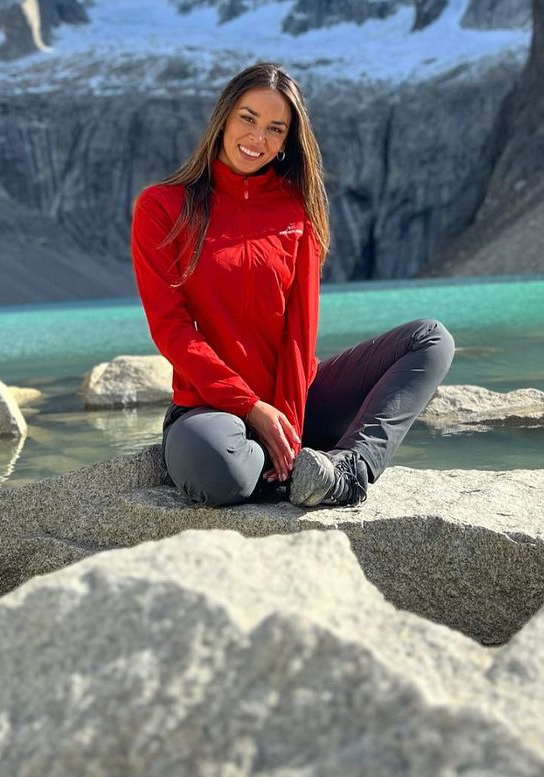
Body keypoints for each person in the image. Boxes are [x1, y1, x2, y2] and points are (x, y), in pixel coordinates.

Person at [130, 60, 454, 509]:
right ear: (223, 116)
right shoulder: (163, 207)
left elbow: (300, 332)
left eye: (275, 129)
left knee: (431, 340)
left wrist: (289, 425)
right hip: (210, 407)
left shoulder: (294, 209)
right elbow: (172, 331)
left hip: (295, 401)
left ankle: (348, 471)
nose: (257, 138)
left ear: (287, 141)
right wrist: (251, 408)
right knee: (221, 475)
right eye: (248, 118)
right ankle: (273, 469)